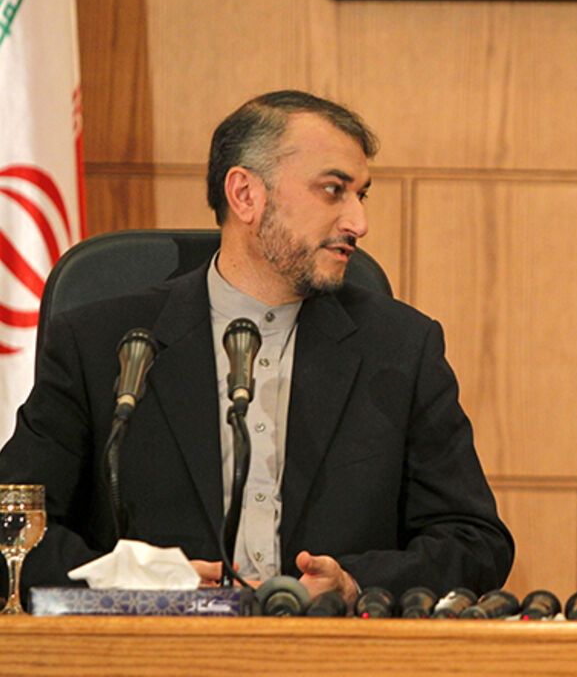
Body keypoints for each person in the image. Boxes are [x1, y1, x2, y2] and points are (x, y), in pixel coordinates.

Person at [0, 90, 513, 608]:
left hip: (333, 657)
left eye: (362, 195)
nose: (359, 222)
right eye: (333, 190)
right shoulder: (101, 343)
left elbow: (475, 542)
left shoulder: (400, 348)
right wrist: (126, 584)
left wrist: (355, 583)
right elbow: (10, 529)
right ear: (246, 195)